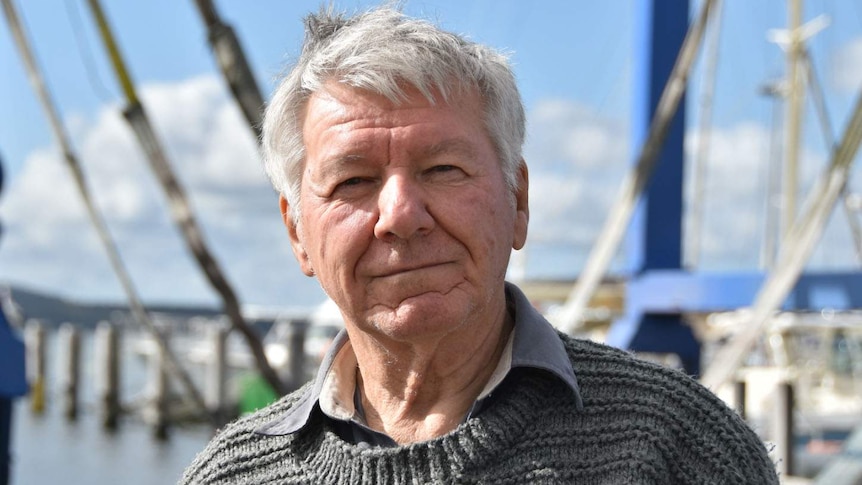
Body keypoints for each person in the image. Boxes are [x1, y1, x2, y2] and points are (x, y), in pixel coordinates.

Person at [182, 6, 778, 484]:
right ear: (297, 234)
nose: (401, 216)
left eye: (442, 169)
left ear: (518, 201)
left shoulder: (680, 447)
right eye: (353, 181)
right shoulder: (233, 475)